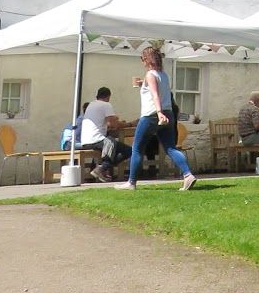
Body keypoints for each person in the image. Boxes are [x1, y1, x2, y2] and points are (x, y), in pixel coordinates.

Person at [115, 46, 197, 191]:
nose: (142, 62)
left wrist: (158, 112)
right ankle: (188, 175)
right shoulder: (163, 75)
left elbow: (155, 95)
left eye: (142, 59)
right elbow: (159, 90)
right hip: (169, 113)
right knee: (170, 147)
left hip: (152, 115)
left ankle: (131, 182)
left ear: (147, 60)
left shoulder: (150, 75)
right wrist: (143, 84)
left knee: (137, 148)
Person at [77, 86, 131, 183]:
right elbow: (113, 124)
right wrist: (129, 124)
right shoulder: (106, 105)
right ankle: (102, 168)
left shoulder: (91, 105)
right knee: (126, 149)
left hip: (85, 140)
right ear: (108, 97)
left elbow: (106, 123)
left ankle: (102, 168)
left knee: (111, 144)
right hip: (97, 139)